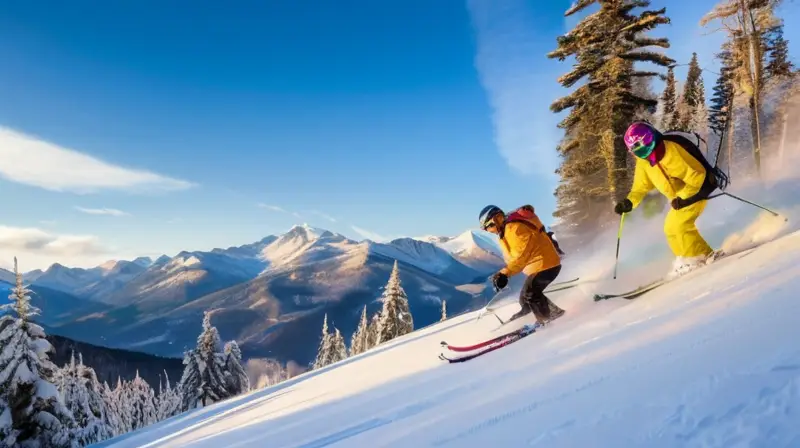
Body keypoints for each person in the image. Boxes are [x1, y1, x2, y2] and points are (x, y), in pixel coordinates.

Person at [614, 121, 721, 278]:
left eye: (641, 147)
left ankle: (700, 257)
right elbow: (640, 187)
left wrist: (685, 198)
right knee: (670, 229)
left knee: (680, 225)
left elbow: (697, 175)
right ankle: (688, 259)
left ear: (649, 139)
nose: (641, 153)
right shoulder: (644, 162)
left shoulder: (671, 150)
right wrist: (629, 202)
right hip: (679, 199)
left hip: (699, 189)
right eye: (635, 151)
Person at [479, 204, 565, 325]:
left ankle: (549, 318)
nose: (489, 231)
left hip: (546, 264)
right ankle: (527, 315)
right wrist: (501, 274)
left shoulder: (514, 229)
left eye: (488, 227)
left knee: (531, 294)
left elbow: (521, 256)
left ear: (496, 220)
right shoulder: (506, 231)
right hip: (538, 265)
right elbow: (514, 257)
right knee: (524, 299)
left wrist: (505, 274)